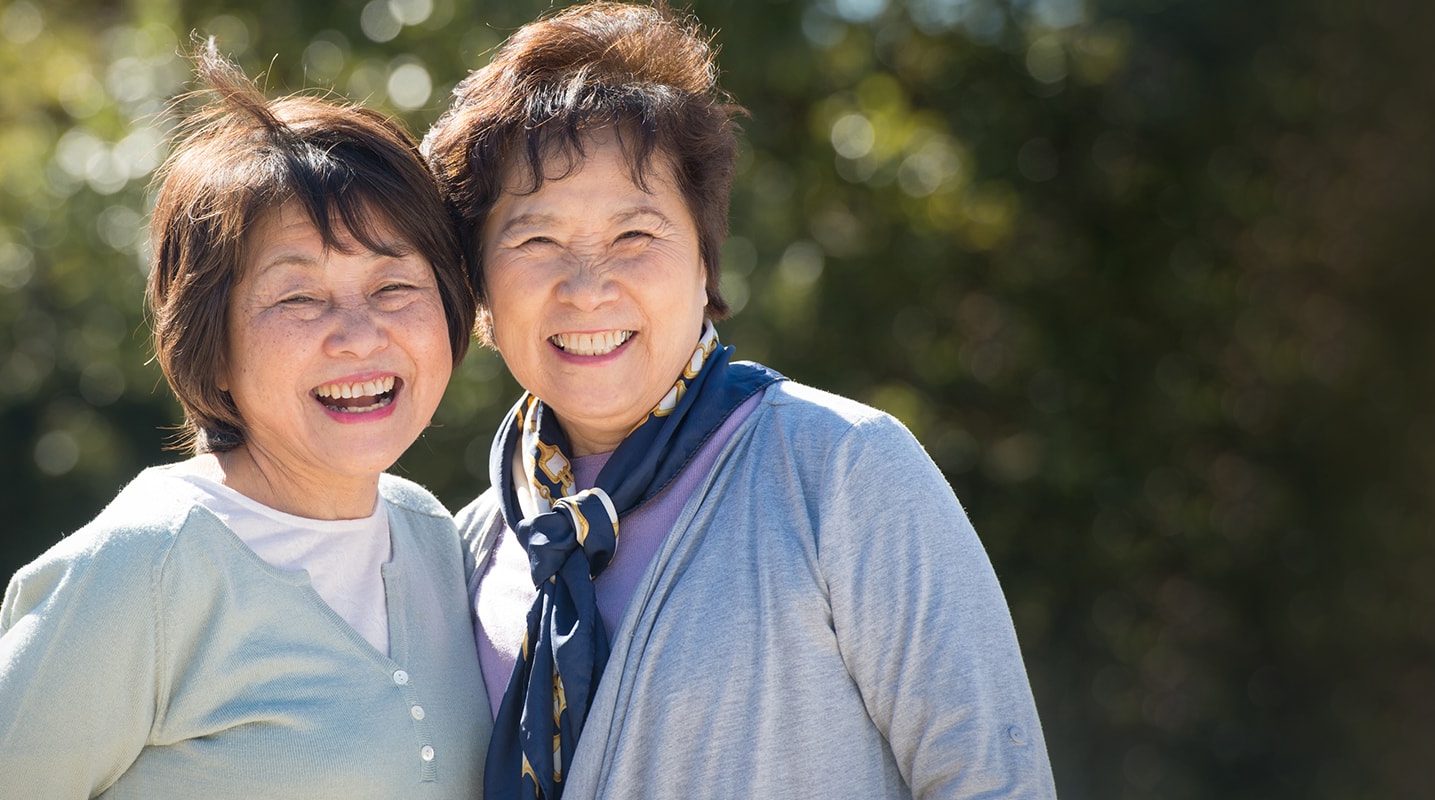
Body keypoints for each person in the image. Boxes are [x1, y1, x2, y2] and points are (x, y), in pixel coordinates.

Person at [422, 3, 1058, 798]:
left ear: (704, 262)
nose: (588, 288)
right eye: (536, 239)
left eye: (636, 235)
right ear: (479, 283)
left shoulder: (842, 472)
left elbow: (994, 781)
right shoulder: (465, 547)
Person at [0, 44, 489, 798]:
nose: (359, 334)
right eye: (298, 298)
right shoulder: (142, 568)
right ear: (210, 347)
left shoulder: (434, 540)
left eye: (394, 284)